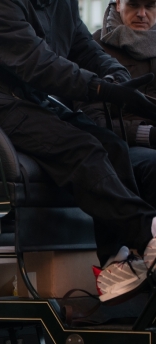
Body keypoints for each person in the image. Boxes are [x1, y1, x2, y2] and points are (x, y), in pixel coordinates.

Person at [0, 0, 156, 302]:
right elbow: (37, 63)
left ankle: (116, 262)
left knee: (113, 145)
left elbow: (82, 45)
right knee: (81, 150)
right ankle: (148, 235)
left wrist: (117, 75)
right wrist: (99, 89)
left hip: (27, 96)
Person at [78, 0, 156, 207]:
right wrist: (148, 134)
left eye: (150, 6)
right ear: (119, 4)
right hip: (120, 148)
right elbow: (92, 121)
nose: (142, 13)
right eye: (134, 5)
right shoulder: (94, 51)